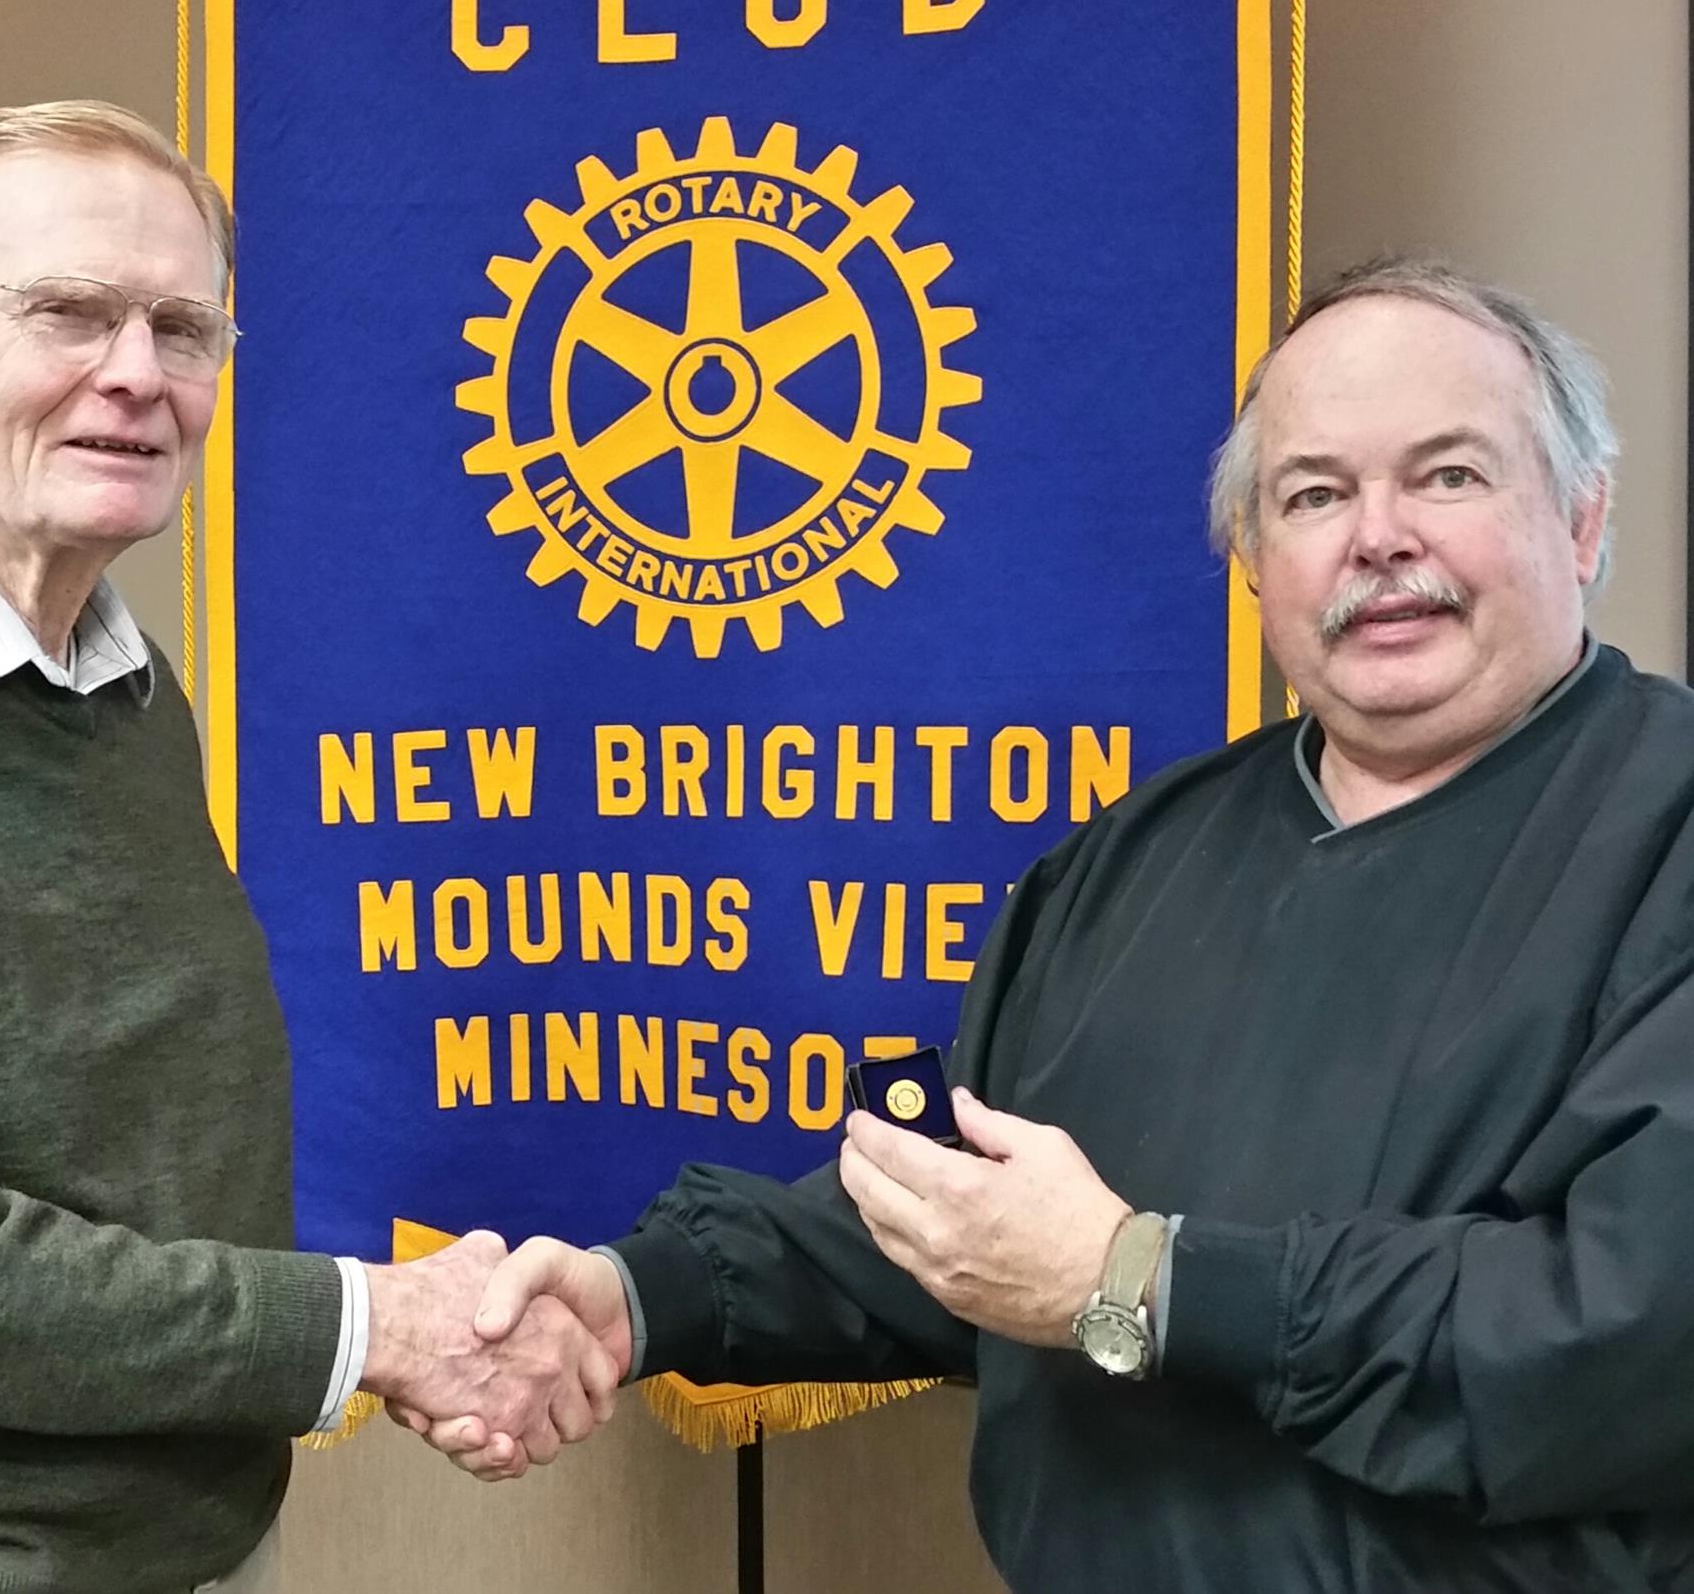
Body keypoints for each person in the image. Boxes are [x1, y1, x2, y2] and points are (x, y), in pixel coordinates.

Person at [400, 259, 1694, 1592]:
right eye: (1314, 494)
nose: (1379, 537)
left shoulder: (1668, 836)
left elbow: (1627, 1336)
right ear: (1254, 562)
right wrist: (637, 1297)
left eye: (1449, 476)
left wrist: (1139, 1280)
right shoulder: (1134, 861)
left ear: (1582, 518)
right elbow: (964, 1222)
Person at [0, 100, 615, 1594]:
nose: (137, 374)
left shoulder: (124, 684)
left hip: (183, 1549)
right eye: (69, 311)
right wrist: (371, 1328)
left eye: (183, 329)